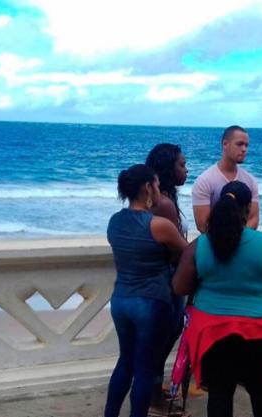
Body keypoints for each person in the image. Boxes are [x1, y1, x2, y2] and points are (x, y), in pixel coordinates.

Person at [173, 181, 262, 417]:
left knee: (219, 393)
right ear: (247, 209)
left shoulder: (200, 245)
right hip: (256, 329)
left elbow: (179, 286)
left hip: (212, 330)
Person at [105, 164, 188, 417]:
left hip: (120, 301)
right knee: (144, 369)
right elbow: (187, 253)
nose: (160, 191)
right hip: (151, 301)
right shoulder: (159, 225)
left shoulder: (115, 222)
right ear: (148, 188)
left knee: (125, 363)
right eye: (157, 186)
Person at [145, 144, 190, 414]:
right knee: (163, 339)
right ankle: (154, 400)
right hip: (168, 279)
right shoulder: (164, 203)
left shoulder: (161, 198)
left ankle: (152, 390)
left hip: (163, 278)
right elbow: (176, 249)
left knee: (162, 338)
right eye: (182, 165)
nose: (186, 169)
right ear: (168, 169)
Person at [192, 125, 259, 233]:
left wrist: (240, 240)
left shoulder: (250, 180)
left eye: (246, 145)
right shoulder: (205, 181)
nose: (244, 149)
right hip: (215, 245)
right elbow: (202, 225)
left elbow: (253, 219)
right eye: (239, 144)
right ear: (225, 144)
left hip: (243, 244)